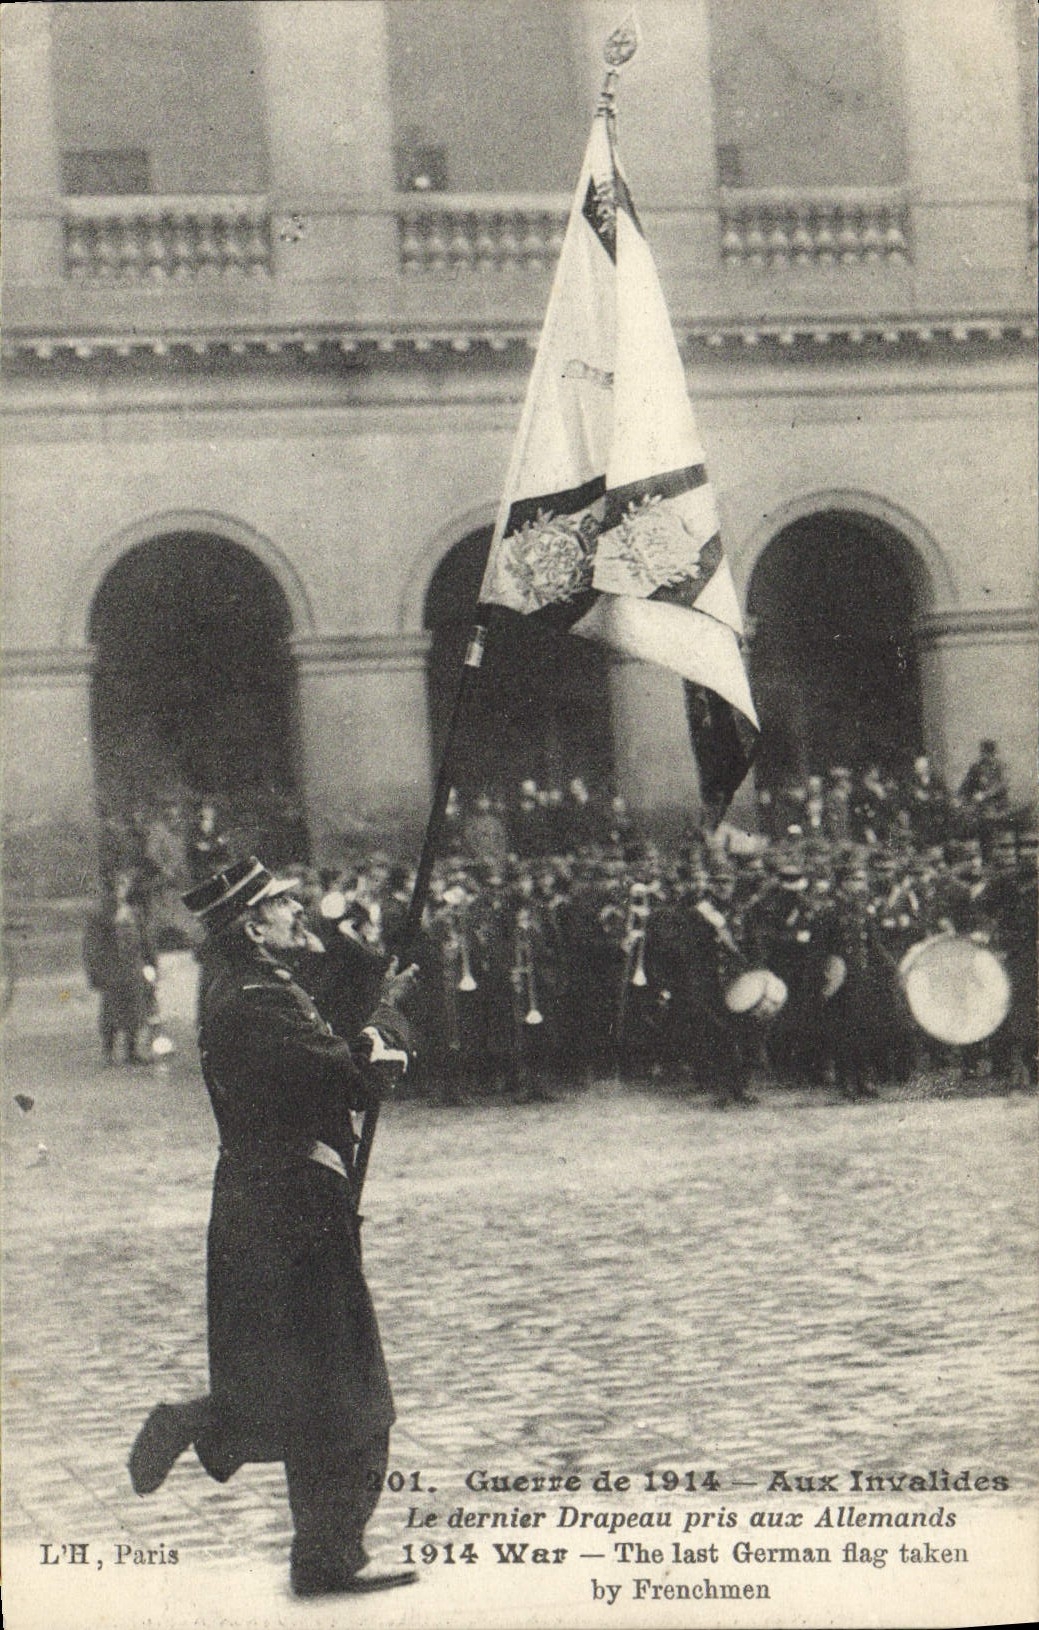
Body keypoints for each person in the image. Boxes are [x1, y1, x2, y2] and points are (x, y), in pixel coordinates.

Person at [127, 856, 420, 1599]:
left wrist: (353, 957)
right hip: (291, 1206)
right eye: (286, 905)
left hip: (270, 1201)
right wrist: (391, 1020)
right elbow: (353, 1074)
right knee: (354, 1394)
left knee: (314, 1385)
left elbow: (327, 1015)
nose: (299, 911)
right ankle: (213, 1430)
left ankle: (321, 1552)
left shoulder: (251, 985)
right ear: (253, 924)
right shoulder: (257, 999)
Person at [82, 869, 157, 1065]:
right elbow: (92, 946)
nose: (122, 890)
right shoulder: (100, 915)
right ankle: (108, 1051)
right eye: (118, 885)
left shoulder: (134, 912)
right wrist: (95, 972)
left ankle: (131, 1050)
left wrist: (151, 963)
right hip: (112, 970)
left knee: (136, 1011)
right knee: (111, 1012)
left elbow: (145, 940)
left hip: (133, 968)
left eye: (125, 885)